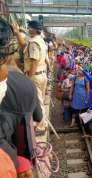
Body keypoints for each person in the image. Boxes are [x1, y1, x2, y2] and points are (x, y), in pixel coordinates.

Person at [0, 19, 43, 167]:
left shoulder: (33, 43)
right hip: (13, 160)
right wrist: (28, 80)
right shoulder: (24, 86)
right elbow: (38, 116)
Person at [14, 20, 50, 131]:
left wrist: (29, 79)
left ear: (34, 29)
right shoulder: (40, 41)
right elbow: (24, 46)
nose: (28, 29)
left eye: (29, 27)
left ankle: (41, 126)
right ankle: (42, 122)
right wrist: (17, 33)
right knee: (40, 99)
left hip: (35, 76)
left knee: (38, 101)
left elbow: (34, 62)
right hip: (42, 75)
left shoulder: (34, 43)